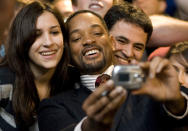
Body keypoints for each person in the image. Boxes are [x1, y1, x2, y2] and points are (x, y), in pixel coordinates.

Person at [38, 8, 188, 131]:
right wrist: (91, 126)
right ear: (68, 52)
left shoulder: (148, 83)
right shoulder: (54, 106)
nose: (89, 40)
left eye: (97, 33)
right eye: (76, 38)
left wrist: (176, 102)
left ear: (111, 42)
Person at [0, 1, 69, 130]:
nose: (48, 42)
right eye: (36, 35)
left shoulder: (73, 80)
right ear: (22, 40)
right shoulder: (3, 81)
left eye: (54, 32)